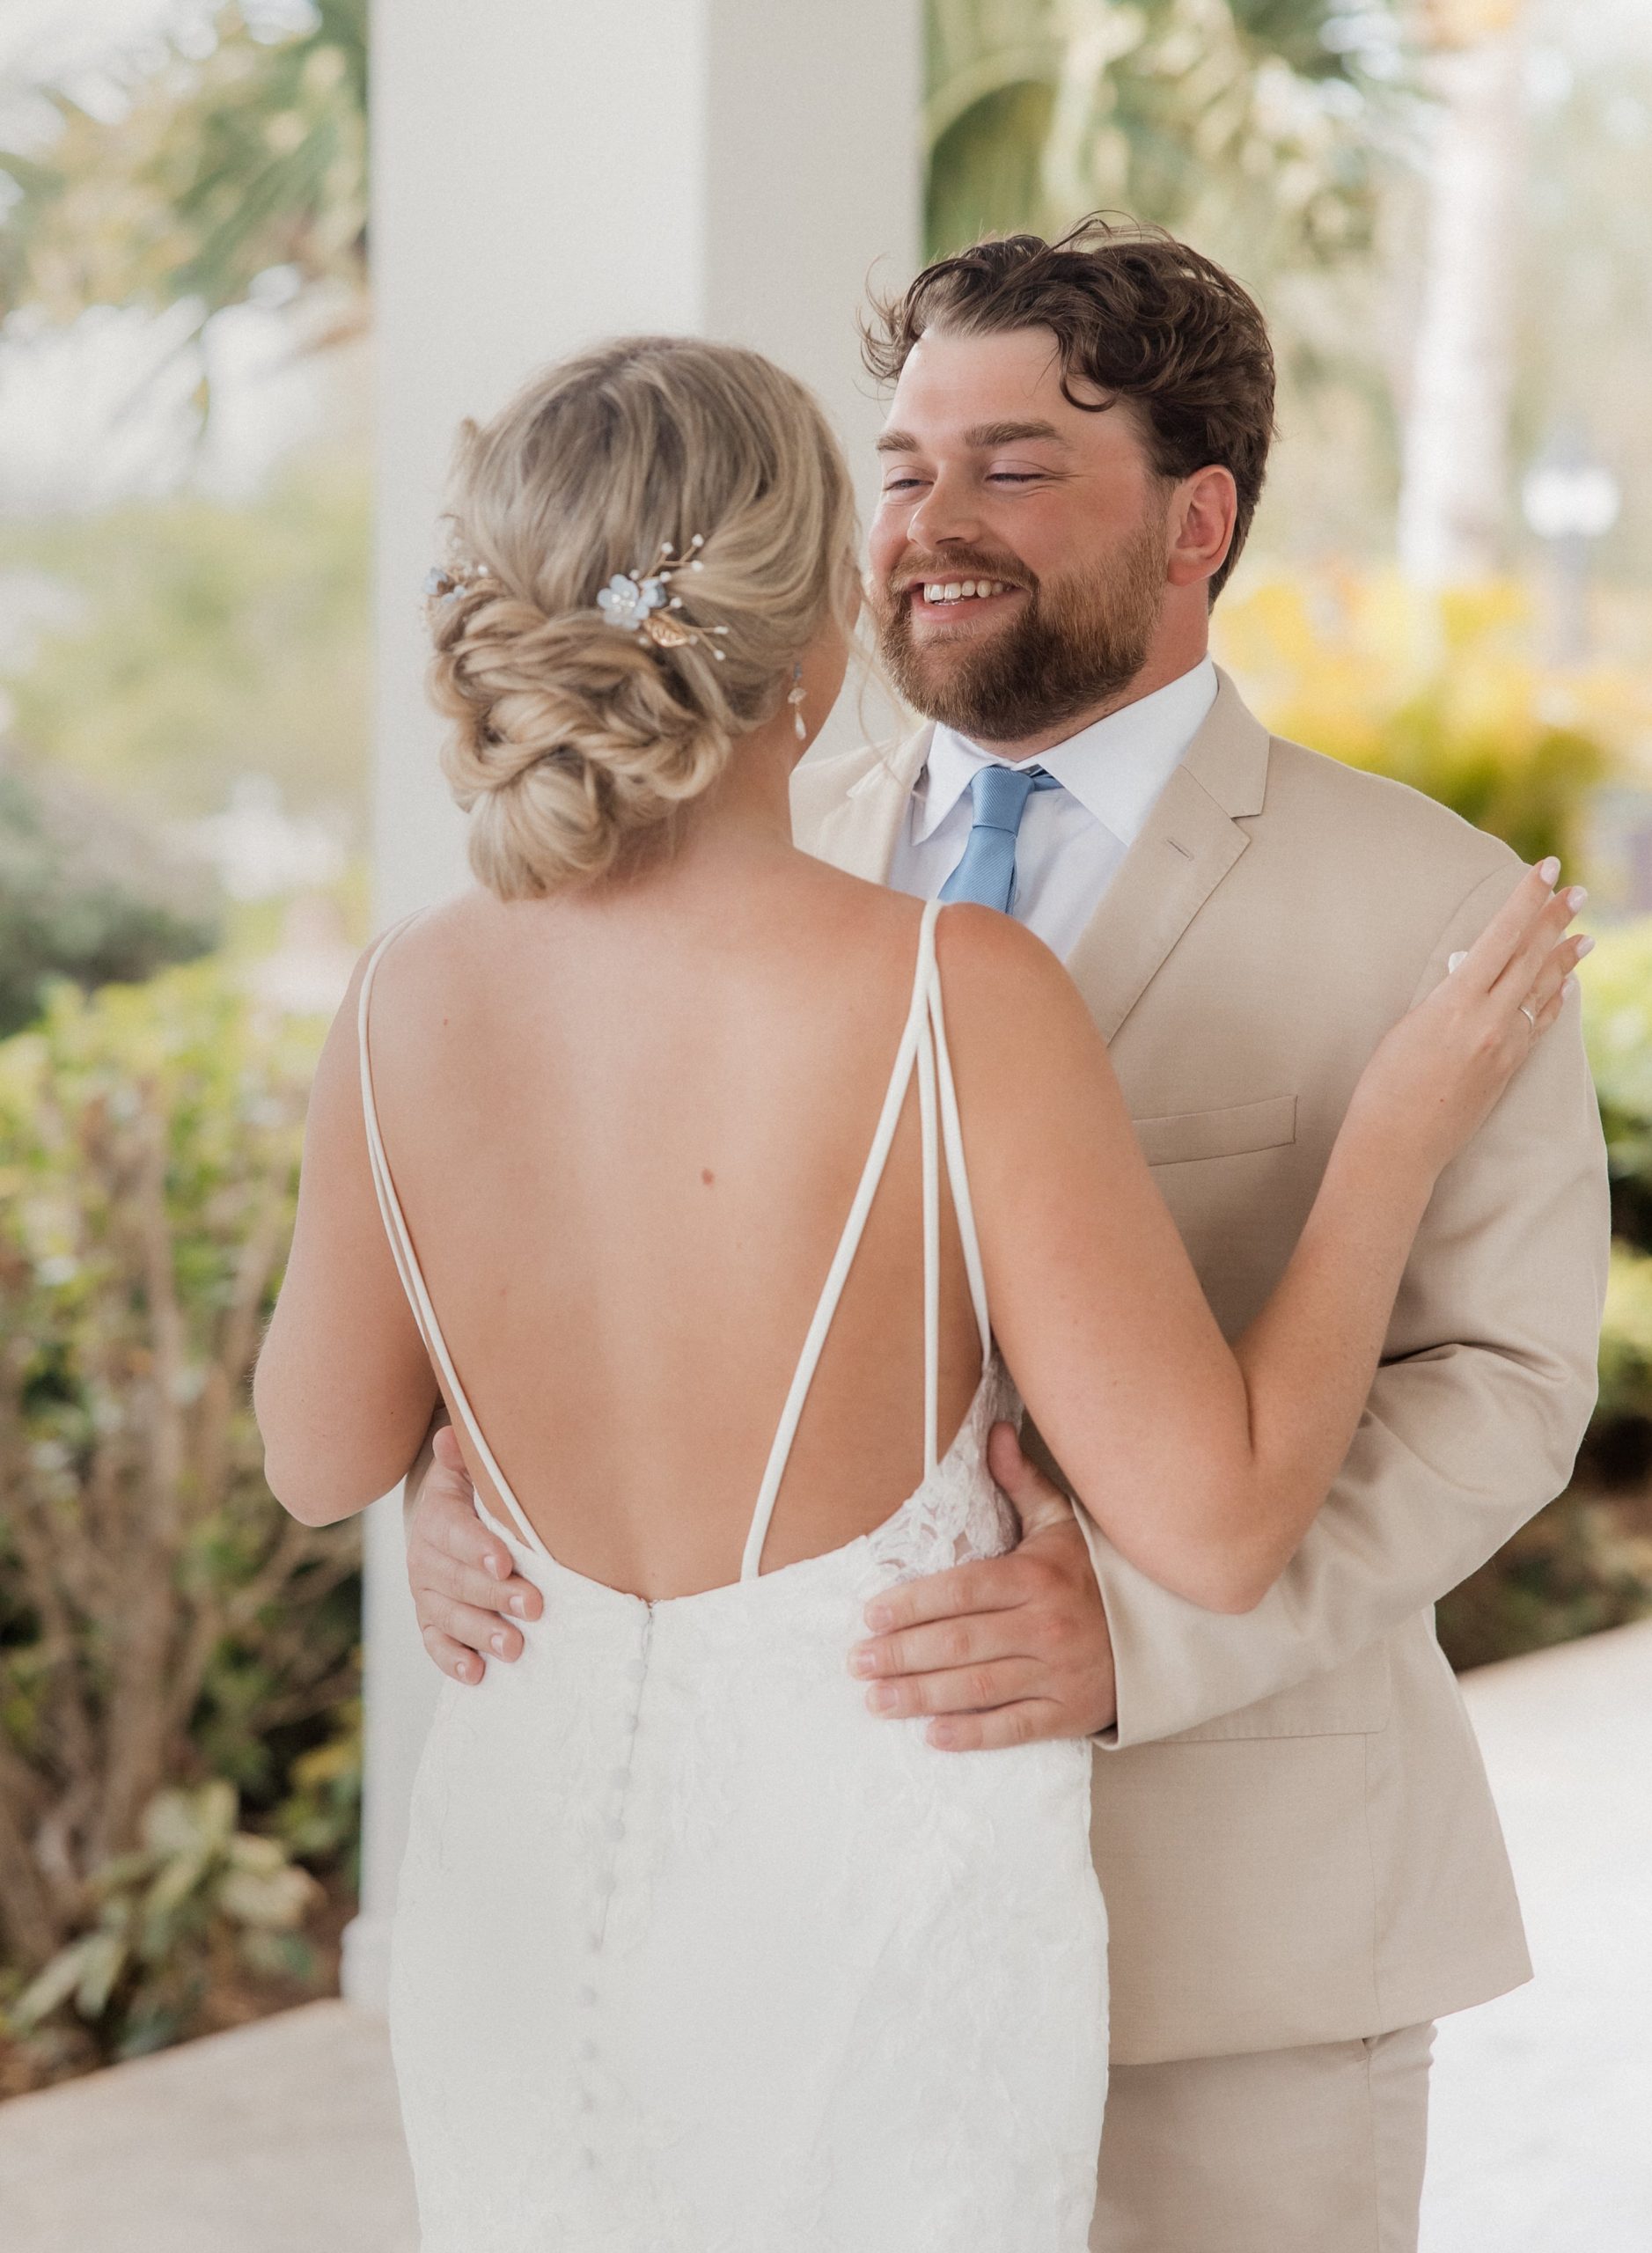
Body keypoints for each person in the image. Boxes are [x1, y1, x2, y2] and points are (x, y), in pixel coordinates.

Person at [400, 225, 1612, 2252]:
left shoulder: (1432, 899)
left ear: (1197, 516)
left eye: (1015, 464)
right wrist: (463, 1488)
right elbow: (589, 1275)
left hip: (1243, 1945)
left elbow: (1506, 1382)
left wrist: (1138, 1639)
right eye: (898, 466)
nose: (928, 527)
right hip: (828, 1920)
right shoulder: (760, 855)